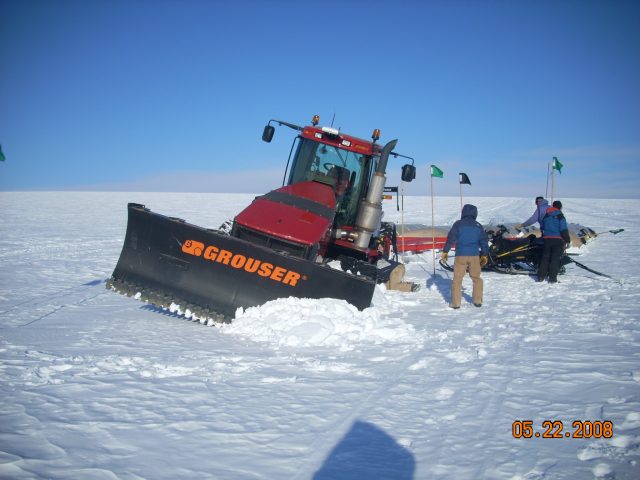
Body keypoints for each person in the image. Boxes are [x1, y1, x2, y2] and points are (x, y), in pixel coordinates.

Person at [441, 204, 489, 309]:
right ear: (475, 213)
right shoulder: (478, 226)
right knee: (476, 278)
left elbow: (451, 238)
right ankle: (477, 300)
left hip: (460, 256)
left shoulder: (458, 224)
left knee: (457, 279)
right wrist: (485, 254)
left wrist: (445, 251)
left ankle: (456, 303)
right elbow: (484, 241)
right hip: (474, 256)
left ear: (463, 212)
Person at [537, 200, 570, 283]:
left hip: (547, 239)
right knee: (555, 259)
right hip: (557, 240)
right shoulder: (560, 216)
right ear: (560, 207)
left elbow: (542, 227)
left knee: (545, 258)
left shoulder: (546, 215)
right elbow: (563, 229)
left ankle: (541, 276)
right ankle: (552, 278)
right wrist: (567, 240)